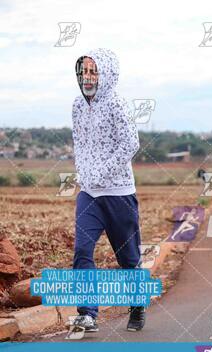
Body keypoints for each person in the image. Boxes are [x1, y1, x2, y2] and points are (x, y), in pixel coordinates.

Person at [71, 48, 146, 332]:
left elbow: (130, 144)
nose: (87, 77)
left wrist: (101, 172)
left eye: (93, 71)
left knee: (128, 260)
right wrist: (84, 173)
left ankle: (137, 306)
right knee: (82, 251)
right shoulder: (77, 105)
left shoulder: (117, 104)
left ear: (107, 74)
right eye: (84, 71)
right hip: (89, 194)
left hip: (118, 194)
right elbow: (79, 142)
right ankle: (88, 314)